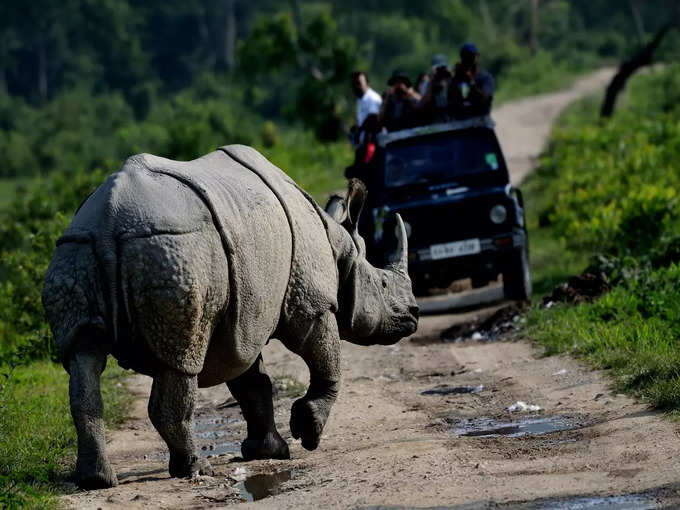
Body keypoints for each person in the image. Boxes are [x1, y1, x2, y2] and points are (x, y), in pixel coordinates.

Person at [449, 43, 495, 119]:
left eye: (471, 56)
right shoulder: (458, 78)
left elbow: (485, 98)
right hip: (462, 122)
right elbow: (452, 100)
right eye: (465, 57)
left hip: (481, 122)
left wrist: (470, 81)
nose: (468, 59)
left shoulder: (485, 77)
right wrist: (455, 77)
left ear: (477, 56)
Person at [416, 53, 454, 124]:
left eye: (442, 68)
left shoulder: (451, 80)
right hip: (435, 121)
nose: (440, 71)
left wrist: (450, 75)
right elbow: (421, 105)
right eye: (438, 69)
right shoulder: (427, 83)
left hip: (452, 119)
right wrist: (432, 83)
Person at [350, 71, 382, 145]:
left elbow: (373, 118)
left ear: (367, 83)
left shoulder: (372, 98)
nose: (356, 86)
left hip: (373, 142)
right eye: (354, 84)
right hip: (365, 142)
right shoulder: (361, 99)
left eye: (359, 83)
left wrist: (359, 130)